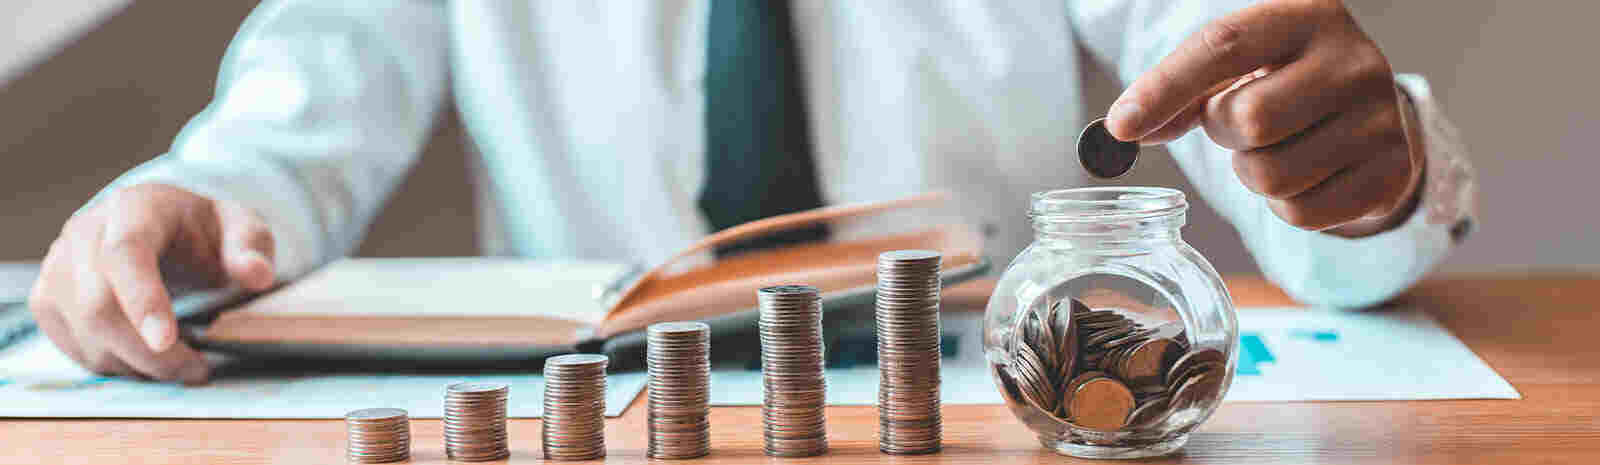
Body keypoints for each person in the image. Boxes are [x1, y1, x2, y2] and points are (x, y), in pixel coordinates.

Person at [28, 0, 1475, 384]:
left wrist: (1364, 166)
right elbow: (295, 117)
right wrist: (187, 201)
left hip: (1004, 418)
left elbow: (1257, 93)